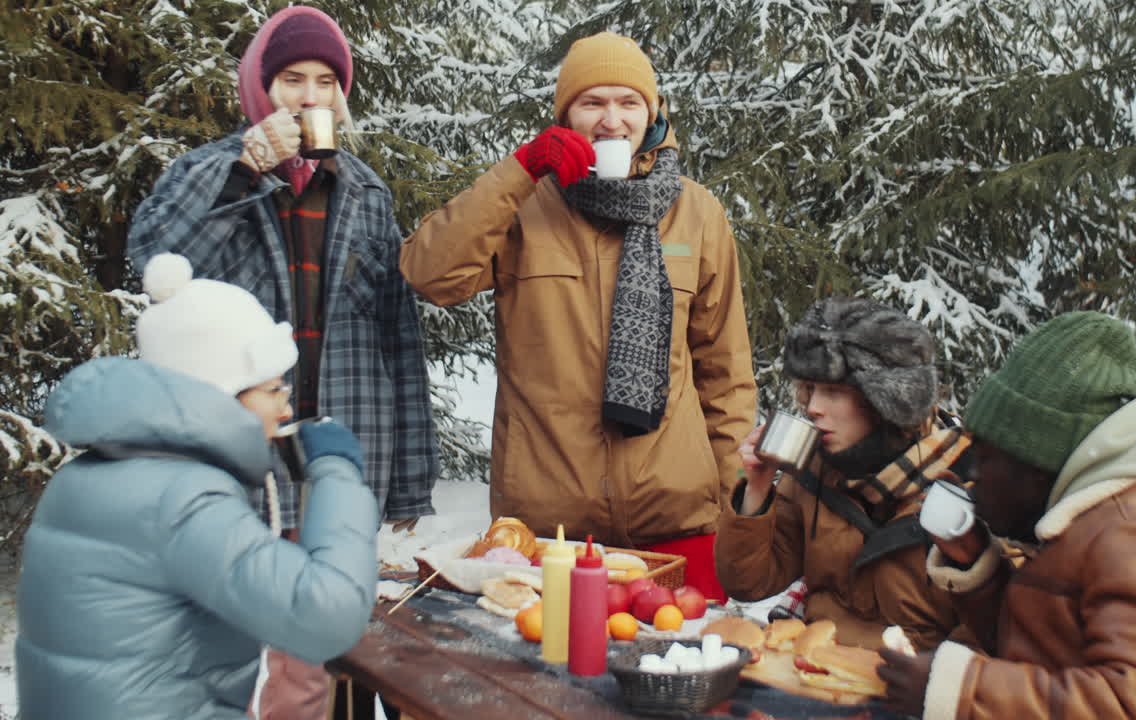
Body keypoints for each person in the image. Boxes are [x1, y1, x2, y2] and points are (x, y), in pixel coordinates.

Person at [400, 31, 756, 601]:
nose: (611, 120)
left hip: (680, 524)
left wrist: (733, 501)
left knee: (678, 681)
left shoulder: (697, 213)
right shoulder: (523, 205)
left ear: (652, 112)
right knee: (545, 688)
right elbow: (429, 272)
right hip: (548, 535)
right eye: (592, 102)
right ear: (565, 115)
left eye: (628, 102)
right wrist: (519, 172)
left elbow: (725, 371)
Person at [15, 254, 378, 720]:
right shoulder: (182, 499)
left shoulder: (85, 475)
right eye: (272, 390)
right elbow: (328, 615)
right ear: (218, 397)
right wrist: (338, 474)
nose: (286, 410)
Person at [127, 6, 438, 531]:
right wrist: (246, 170)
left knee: (336, 605)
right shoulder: (207, 171)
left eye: (325, 82)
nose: (310, 97)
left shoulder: (366, 193)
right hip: (236, 453)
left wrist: (410, 483)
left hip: (349, 443)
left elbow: (398, 339)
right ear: (260, 87)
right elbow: (156, 260)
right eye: (293, 80)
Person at [877, 311, 1136, 719]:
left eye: (986, 459)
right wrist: (977, 570)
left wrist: (960, 692)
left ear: (1039, 461)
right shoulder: (1086, 526)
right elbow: (1043, 650)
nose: (971, 474)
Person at [715, 297, 970, 651]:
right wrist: (757, 490)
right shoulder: (814, 469)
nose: (814, 408)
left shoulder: (960, 485)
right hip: (814, 666)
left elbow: (983, 635)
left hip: (907, 685)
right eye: (811, 389)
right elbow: (748, 584)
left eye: (833, 392)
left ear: (884, 400)